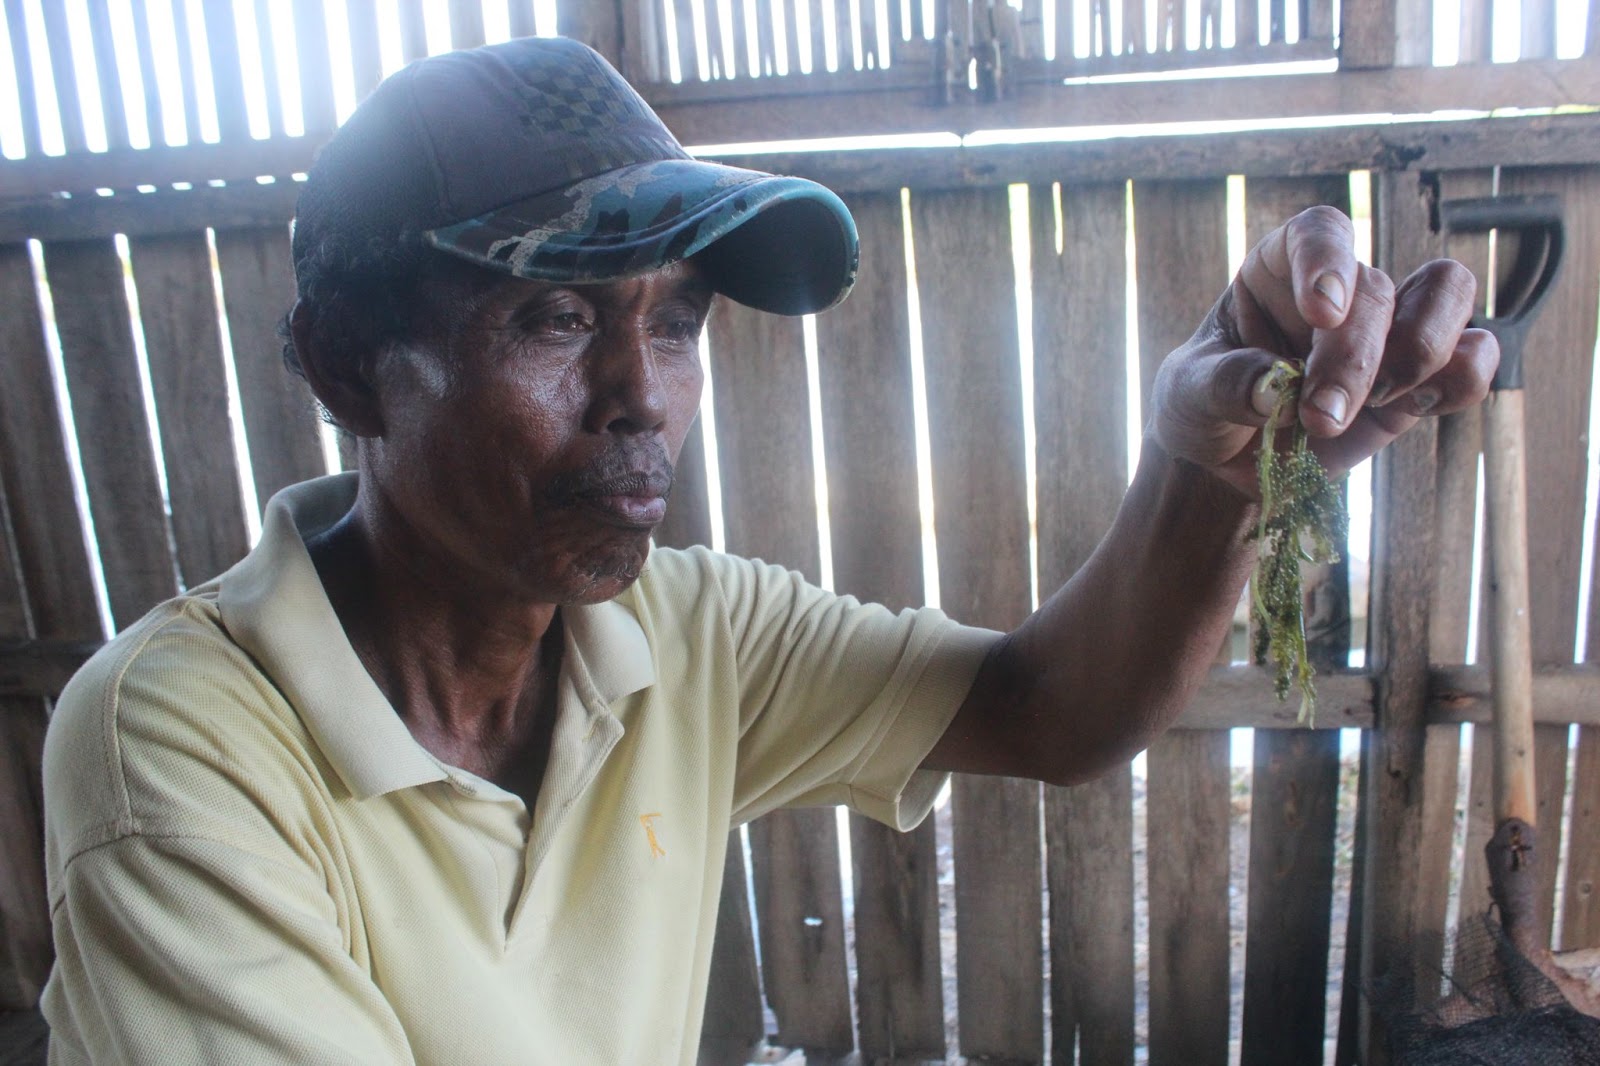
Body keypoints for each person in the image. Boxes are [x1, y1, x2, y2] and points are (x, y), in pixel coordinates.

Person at [37, 35, 1494, 1066]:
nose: (642, 398)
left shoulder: (682, 639)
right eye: (556, 318)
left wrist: (1211, 465)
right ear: (348, 368)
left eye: (674, 321)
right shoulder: (179, 744)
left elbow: (1050, 708)